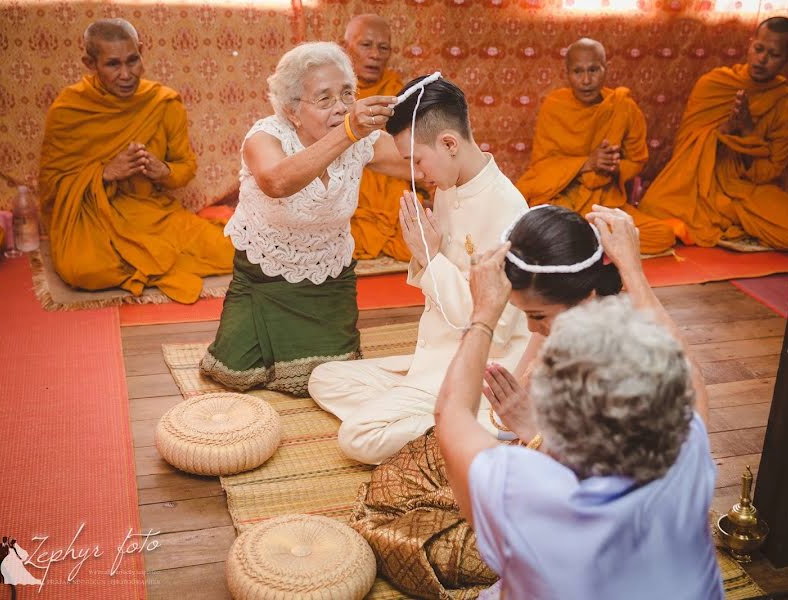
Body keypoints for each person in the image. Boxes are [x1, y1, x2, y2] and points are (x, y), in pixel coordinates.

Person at [429, 204, 723, 599]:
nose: (535, 328)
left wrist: (484, 315)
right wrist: (634, 270)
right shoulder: (688, 451)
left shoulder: (530, 494)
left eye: (538, 316)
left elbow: (450, 412)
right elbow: (689, 375)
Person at [308, 76, 530, 465]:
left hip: (477, 368)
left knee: (357, 436)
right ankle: (437, 419)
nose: (411, 172)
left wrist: (430, 258)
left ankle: (482, 426)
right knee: (324, 378)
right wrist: (427, 255)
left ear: (448, 143)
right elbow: (441, 280)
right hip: (434, 359)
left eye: (415, 160)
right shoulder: (447, 188)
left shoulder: (509, 210)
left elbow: (491, 323)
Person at [200, 42, 409, 395]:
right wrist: (348, 133)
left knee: (334, 374)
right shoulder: (265, 136)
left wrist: (456, 150)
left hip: (329, 276)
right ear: (292, 111)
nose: (342, 107)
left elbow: (413, 161)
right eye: (325, 99)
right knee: (235, 375)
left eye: (347, 94)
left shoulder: (361, 139)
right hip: (264, 277)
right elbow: (277, 182)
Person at [38, 19, 233, 303]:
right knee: (81, 270)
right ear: (90, 63)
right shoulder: (69, 109)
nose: (126, 74)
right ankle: (156, 262)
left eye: (133, 60)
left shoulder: (162, 102)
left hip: (151, 214)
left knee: (230, 252)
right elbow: (51, 187)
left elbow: (185, 169)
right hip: (95, 218)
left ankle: (145, 264)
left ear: (141, 51)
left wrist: (162, 171)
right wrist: (104, 173)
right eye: (113, 65)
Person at [639, 17, 788, 251]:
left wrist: (747, 132)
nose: (762, 59)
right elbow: (685, 147)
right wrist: (727, 130)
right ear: (750, 44)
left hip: (744, 191)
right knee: (652, 206)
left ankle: (729, 223)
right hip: (699, 183)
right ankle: (735, 225)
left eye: (774, 55)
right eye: (758, 49)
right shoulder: (714, 84)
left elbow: (769, 172)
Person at [516, 39, 675, 255]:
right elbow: (541, 168)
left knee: (662, 234)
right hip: (564, 199)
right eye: (578, 72)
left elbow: (636, 160)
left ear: (605, 69)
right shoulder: (555, 106)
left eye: (593, 70)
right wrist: (586, 163)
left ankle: (585, 240)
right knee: (543, 231)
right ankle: (596, 239)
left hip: (606, 203)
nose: (586, 80)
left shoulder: (622, 106)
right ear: (567, 73)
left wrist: (614, 166)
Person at [344, 14, 413, 262]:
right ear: (346, 48)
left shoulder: (398, 90)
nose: (375, 54)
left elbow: (411, 148)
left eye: (383, 48)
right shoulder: (334, 87)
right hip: (346, 172)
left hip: (388, 174)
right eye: (366, 45)